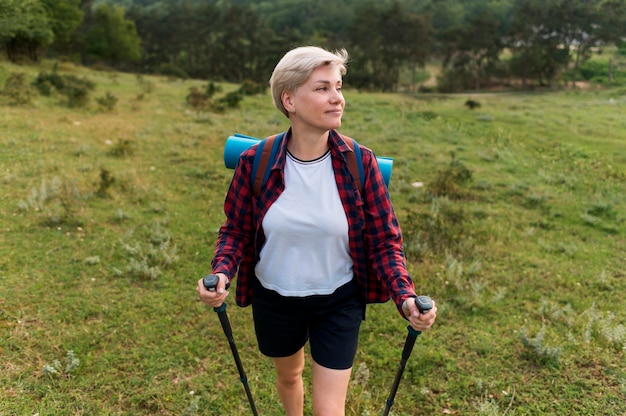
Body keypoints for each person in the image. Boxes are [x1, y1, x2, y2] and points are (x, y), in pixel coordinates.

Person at [196, 46, 437, 416]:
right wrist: (221, 272)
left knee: (329, 410)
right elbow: (236, 232)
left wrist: (405, 296)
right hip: (274, 296)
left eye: (338, 86)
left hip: (338, 299)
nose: (338, 98)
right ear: (289, 99)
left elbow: (384, 242)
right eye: (323, 88)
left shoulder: (361, 163)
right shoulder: (255, 162)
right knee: (290, 377)